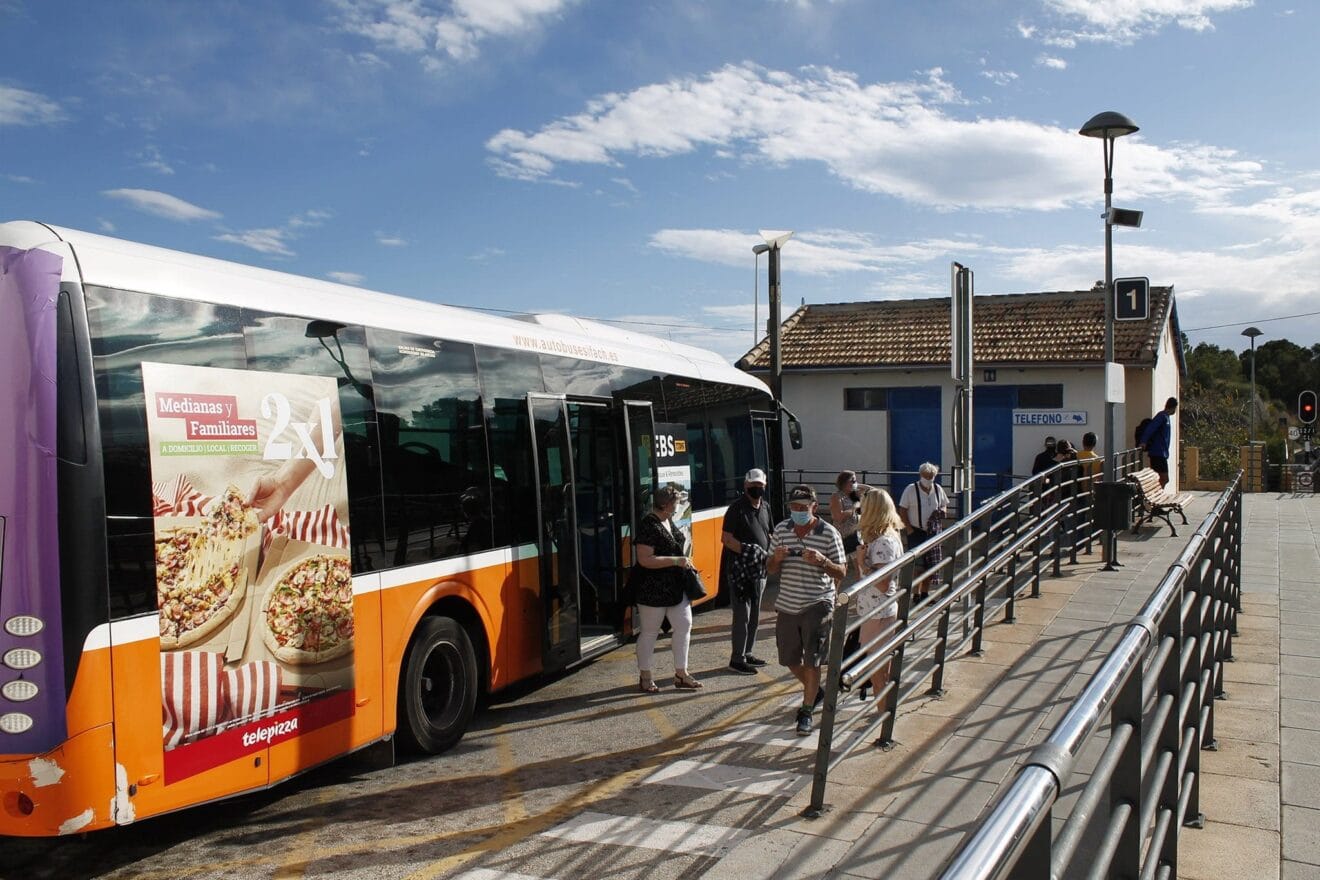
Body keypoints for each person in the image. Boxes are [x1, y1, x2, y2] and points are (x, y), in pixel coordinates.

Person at [768, 485, 846, 736]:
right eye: (794, 507)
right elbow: (770, 569)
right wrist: (776, 559)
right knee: (789, 660)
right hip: (787, 604)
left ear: (814, 506)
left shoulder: (829, 533)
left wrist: (823, 561)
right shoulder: (781, 529)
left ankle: (806, 711)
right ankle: (816, 691)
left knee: (813, 660)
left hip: (817, 603)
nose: (798, 511)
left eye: (803, 507)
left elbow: (842, 571)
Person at [633, 486, 702, 693]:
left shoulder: (667, 520)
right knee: (650, 632)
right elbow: (644, 559)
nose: (679, 505)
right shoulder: (648, 525)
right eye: (676, 502)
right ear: (665, 505)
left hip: (675, 586)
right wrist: (676, 561)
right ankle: (646, 677)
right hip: (653, 588)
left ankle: (681, 673)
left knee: (684, 625)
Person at [853, 487, 904, 712]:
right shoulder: (888, 537)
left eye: (864, 508)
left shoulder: (884, 542)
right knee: (883, 671)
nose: (861, 513)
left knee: (878, 674)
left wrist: (862, 563)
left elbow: (882, 583)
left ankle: (884, 716)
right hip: (878, 611)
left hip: (878, 613)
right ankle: (887, 712)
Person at [721, 468, 773, 675]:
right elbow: (726, 539)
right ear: (745, 486)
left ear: (765, 486)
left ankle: (747, 652)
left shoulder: (765, 507)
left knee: (755, 614)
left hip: (760, 570)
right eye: (753, 486)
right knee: (742, 615)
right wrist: (749, 551)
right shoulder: (736, 509)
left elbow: (769, 533)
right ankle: (737, 659)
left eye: (760, 485)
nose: (756, 489)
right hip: (740, 572)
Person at [898, 463, 949, 604]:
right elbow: (902, 510)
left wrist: (942, 511)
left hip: (933, 532)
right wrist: (909, 529)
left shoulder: (938, 489)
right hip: (916, 531)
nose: (929, 479)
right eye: (926, 477)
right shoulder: (910, 489)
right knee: (918, 565)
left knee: (930, 564)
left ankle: (925, 593)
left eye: (931, 477)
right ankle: (916, 593)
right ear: (921, 475)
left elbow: (944, 504)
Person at [1139, 397, 1178, 488]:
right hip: (1157, 452)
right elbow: (1150, 428)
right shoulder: (1161, 416)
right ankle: (1156, 494)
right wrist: (1143, 441)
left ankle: (1157, 493)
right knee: (1164, 478)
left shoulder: (1166, 417)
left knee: (1161, 478)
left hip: (1162, 453)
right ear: (1173, 407)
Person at [829, 470, 862, 561]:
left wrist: (858, 485)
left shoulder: (854, 495)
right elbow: (839, 517)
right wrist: (854, 508)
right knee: (843, 564)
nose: (855, 483)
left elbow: (872, 490)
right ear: (844, 482)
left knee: (860, 565)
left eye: (855, 481)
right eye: (852, 481)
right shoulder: (837, 496)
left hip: (857, 536)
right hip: (844, 537)